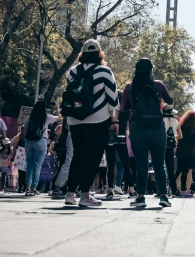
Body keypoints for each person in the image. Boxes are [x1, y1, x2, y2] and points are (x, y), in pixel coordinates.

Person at [63, 40, 119, 208]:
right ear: (99, 53)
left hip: (74, 119)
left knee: (77, 155)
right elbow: (113, 100)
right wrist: (114, 121)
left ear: (83, 53)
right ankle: (86, 195)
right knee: (92, 157)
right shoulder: (105, 71)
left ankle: (70, 193)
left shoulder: (72, 72)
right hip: (97, 119)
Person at [120, 57, 173, 209]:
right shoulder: (158, 85)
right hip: (157, 127)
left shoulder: (130, 87)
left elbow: (123, 109)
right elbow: (170, 101)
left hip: (137, 128)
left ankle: (141, 197)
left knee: (141, 164)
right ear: (151, 71)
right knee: (158, 163)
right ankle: (163, 196)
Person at [24, 101, 60, 196]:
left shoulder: (30, 117)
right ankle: (34, 188)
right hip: (41, 141)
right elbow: (59, 118)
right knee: (37, 165)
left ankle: (27, 187)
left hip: (29, 142)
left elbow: (24, 130)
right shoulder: (46, 117)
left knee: (30, 165)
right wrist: (56, 108)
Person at [175, 110, 195, 197]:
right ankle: (184, 190)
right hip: (188, 152)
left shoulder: (182, 126)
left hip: (180, 151)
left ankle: (171, 187)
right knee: (185, 171)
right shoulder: (192, 129)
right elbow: (192, 142)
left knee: (178, 170)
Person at [163, 104, 182, 197]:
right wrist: (173, 136)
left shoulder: (161, 120)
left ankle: (161, 190)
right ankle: (174, 190)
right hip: (170, 147)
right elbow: (180, 136)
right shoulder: (175, 122)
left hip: (161, 146)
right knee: (171, 170)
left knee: (160, 167)